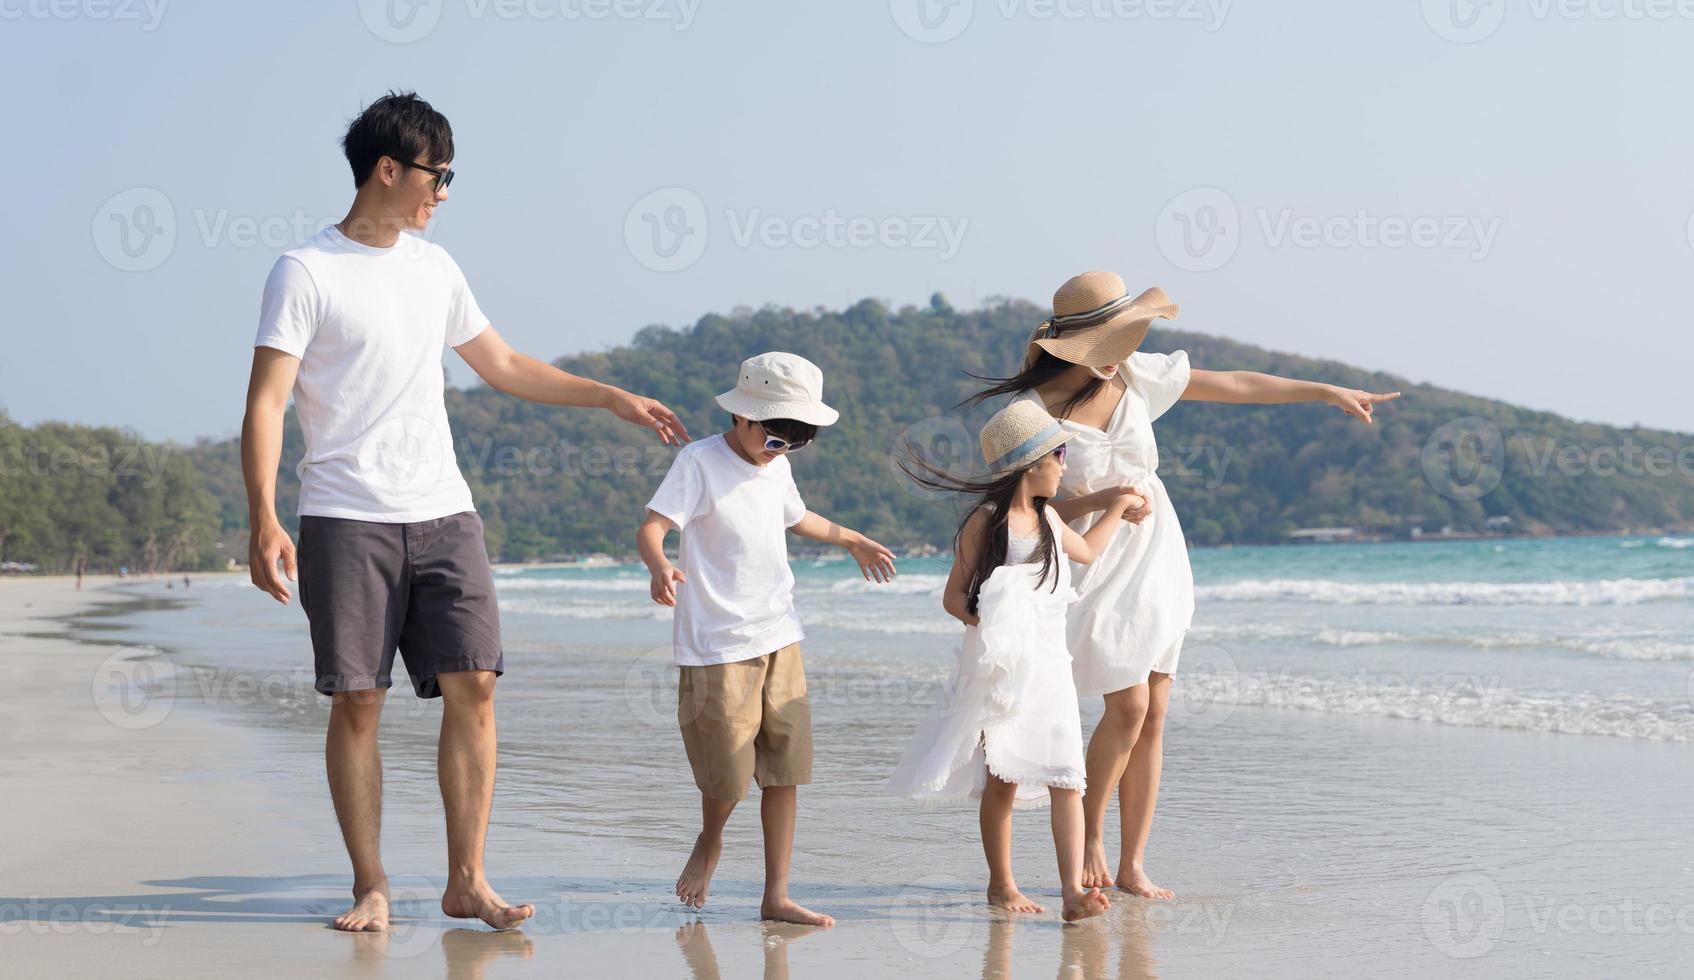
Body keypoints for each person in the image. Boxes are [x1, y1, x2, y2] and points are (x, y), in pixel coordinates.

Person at [241, 91, 690, 933]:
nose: (443, 192)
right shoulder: (304, 271)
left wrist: (607, 397)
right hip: (345, 516)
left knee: (476, 684)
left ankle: (467, 880)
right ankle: (370, 885)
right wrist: (264, 515)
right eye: (437, 175)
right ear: (389, 170)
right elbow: (266, 403)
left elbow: (505, 362)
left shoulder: (435, 269)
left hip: (444, 511)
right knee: (359, 701)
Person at [968, 270, 1400, 898]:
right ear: (1079, 346)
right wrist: (1108, 498)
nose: (1125, 351)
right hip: (1092, 557)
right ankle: (1089, 838)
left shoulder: (1136, 376)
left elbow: (1234, 384)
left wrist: (1322, 390)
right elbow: (1028, 504)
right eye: (1114, 340)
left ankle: (1132, 861)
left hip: (1156, 552)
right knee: (1128, 705)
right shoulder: (1029, 414)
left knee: (1155, 713)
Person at [636, 352, 898, 926]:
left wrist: (851, 538)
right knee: (727, 774)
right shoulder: (699, 462)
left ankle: (776, 894)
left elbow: (795, 517)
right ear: (743, 418)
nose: (782, 450)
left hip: (780, 633)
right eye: (776, 438)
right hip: (716, 645)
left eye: (797, 442)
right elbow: (653, 525)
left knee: (785, 769)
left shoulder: (777, 464)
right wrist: (659, 565)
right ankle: (710, 841)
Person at [887, 399, 1139, 922]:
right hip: (1003, 669)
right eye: (1060, 454)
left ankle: (1072, 894)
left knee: (1067, 776)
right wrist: (996, 625)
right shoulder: (986, 522)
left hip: (1050, 666)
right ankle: (1001, 884)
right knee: (1001, 778)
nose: (1065, 464)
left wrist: (1115, 506)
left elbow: (1088, 551)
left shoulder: (1047, 517)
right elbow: (954, 598)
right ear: (1032, 462)